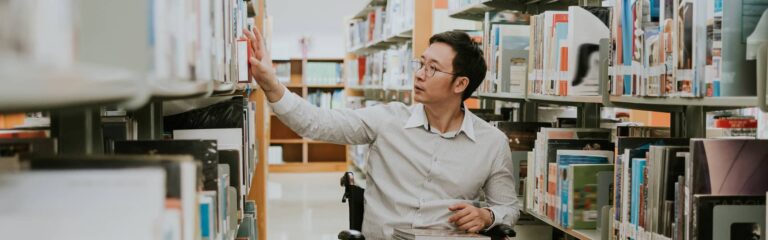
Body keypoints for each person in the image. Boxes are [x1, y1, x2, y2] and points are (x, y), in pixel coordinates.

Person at [243, 27, 520, 239]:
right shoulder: (388, 120)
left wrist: (487, 215)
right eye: (420, 64)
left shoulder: (491, 143)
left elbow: (508, 206)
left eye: (432, 69)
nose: (420, 74)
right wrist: (270, 83)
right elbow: (316, 122)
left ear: (460, 84)